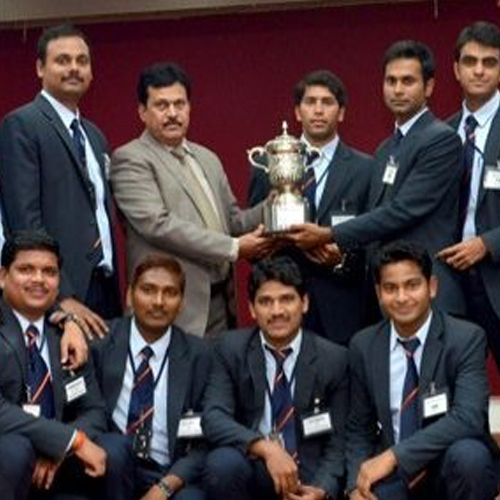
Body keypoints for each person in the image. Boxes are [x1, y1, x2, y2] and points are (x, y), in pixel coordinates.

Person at [288, 40, 465, 316]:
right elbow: (374, 215)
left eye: (407, 81)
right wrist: (340, 253)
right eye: (391, 81)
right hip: (388, 293)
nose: (398, 89)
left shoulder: (441, 140)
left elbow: (402, 210)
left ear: (429, 87)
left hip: (428, 291)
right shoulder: (385, 149)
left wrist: (330, 234)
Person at [110, 61, 272, 338]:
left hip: (222, 304)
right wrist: (234, 248)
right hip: (171, 307)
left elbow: (233, 222)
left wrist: (278, 201)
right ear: (142, 112)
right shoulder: (130, 158)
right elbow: (158, 225)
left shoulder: (207, 158)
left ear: (189, 107)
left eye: (179, 104)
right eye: (162, 105)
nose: (172, 114)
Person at [346, 240, 499, 500]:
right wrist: (354, 487)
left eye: (412, 285)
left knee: (469, 457)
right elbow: (359, 428)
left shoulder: (465, 338)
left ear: (432, 287)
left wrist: (395, 456)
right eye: (391, 288)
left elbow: (468, 417)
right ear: (379, 294)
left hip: (448, 468)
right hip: (394, 477)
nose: (402, 297)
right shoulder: (364, 345)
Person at [0, 24, 122, 338]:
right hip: (58, 294)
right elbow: (24, 220)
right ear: (40, 68)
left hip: (105, 286)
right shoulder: (22, 125)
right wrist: (60, 294)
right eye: (62, 60)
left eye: (82, 61)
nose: (74, 68)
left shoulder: (94, 136)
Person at [203, 256, 348, 500]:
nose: (277, 311)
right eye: (266, 302)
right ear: (252, 309)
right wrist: (266, 448)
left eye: (287, 299)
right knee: (222, 464)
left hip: (308, 478)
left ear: (304, 303)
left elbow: (340, 442)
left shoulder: (334, 359)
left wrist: (322, 490)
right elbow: (214, 417)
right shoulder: (230, 349)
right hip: (257, 471)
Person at [248, 70, 374, 345]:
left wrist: (340, 260)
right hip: (281, 304)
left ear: (341, 113)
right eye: (310, 102)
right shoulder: (269, 163)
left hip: (341, 305)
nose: (318, 110)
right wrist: (267, 245)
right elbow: (252, 231)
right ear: (297, 111)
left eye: (327, 102)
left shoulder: (366, 169)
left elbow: (372, 238)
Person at [92, 254, 211, 500]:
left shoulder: (200, 355)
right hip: (112, 466)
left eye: (170, 293)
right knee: (114, 450)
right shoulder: (100, 342)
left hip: (168, 471)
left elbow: (208, 438)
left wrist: (167, 485)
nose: (158, 302)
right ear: (129, 295)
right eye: (148, 290)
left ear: (181, 303)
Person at [0, 230, 107, 500]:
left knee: (116, 448)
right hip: (8, 462)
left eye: (49, 272)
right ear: (2, 276)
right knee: (15, 450)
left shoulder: (69, 335)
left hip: (57, 471)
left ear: (58, 283)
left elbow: (95, 411)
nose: (38, 279)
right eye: (26, 269)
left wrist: (62, 448)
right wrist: (70, 441)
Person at [437, 21, 500, 372]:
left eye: (489, 62)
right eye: (470, 61)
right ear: (456, 69)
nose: (479, 70)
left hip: (496, 273)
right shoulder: (441, 133)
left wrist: (486, 244)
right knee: (453, 385)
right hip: (450, 282)